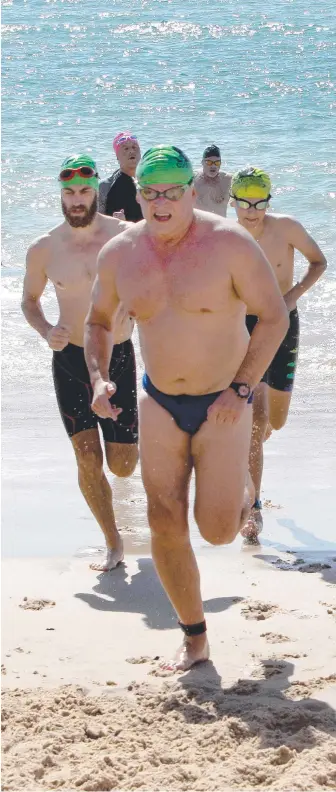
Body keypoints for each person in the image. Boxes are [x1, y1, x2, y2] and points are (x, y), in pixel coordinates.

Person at [84, 145, 289, 671]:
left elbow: (272, 318)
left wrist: (243, 388)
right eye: (150, 192)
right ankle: (194, 636)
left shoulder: (231, 244)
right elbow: (100, 324)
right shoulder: (121, 254)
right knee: (164, 518)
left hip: (225, 400)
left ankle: (244, 495)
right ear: (139, 195)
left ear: (193, 192)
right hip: (159, 399)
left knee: (218, 530)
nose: (160, 202)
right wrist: (101, 378)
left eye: (172, 191)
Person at [21, 154, 138, 572]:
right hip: (69, 359)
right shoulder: (44, 248)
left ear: (95, 194)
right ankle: (113, 542)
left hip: (118, 355)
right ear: (60, 195)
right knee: (87, 457)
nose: (76, 200)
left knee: (123, 465)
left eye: (84, 191)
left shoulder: (125, 236)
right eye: (68, 192)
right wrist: (44, 328)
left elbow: (158, 283)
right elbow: (30, 301)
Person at [230, 167, 327, 541]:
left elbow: (318, 262)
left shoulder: (286, 227)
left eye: (259, 203)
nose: (252, 211)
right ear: (234, 202)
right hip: (246, 327)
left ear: (269, 201)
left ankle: (259, 432)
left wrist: (291, 297)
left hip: (284, 323)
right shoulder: (229, 236)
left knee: (276, 421)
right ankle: (253, 508)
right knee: (255, 420)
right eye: (244, 204)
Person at [98, 132, 143, 222]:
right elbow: (97, 223)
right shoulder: (105, 186)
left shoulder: (151, 182)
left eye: (134, 147)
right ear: (117, 156)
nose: (131, 151)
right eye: (126, 148)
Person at [194, 144, 231, 217]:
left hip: (220, 226)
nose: (213, 166)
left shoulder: (228, 180)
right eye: (209, 162)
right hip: (199, 226)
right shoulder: (193, 179)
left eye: (217, 162)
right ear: (202, 162)